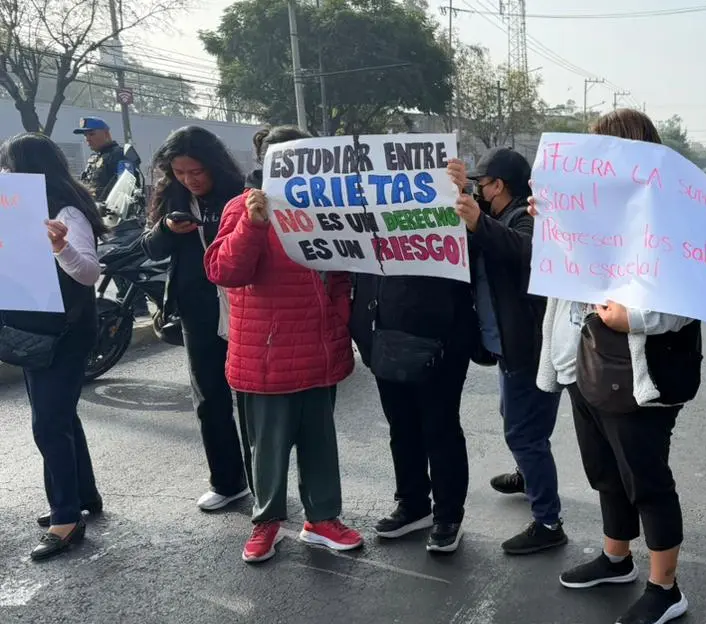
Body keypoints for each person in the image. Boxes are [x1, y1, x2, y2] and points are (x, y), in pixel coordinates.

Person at [539, 108, 702, 624]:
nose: (588, 163)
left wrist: (636, 318)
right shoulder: (591, 212)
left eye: (598, 150)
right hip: (592, 365)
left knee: (647, 481)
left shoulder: (673, 211)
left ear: (629, 152)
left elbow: (689, 297)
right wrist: (553, 225)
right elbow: (569, 285)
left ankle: (665, 588)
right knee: (605, 472)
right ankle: (616, 559)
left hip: (644, 373)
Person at [205, 125, 362, 563]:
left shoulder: (327, 207)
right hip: (267, 355)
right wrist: (252, 227)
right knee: (267, 448)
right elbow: (223, 271)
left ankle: (322, 518)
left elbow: (343, 273)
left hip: (318, 350)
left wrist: (338, 322)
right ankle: (266, 522)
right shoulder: (243, 207)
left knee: (319, 442)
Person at [445, 148, 566, 556]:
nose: (479, 190)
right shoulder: (497, 213)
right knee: (520, 421)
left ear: (501, 186)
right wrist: (458, 188)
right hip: (510, 346)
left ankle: (548, 520)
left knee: (524, 432)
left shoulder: (528, 217)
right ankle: (528, 476)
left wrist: (479, 221)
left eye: (482, 183)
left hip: (529, 347)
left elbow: (525, 252)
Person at [352, 189, 479, 554]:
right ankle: (412, 504)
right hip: (384, 337)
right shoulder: (368, 214)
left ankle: (448, 515)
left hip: (442, 340)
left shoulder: (451, 213)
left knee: (439, 428)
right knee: (402, 427)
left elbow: (476, 258)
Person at [0, 134, 105, 560]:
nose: (3, 175)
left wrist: (59, 246)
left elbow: (89, 272)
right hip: (33, 331)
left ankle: (66, 517)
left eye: (8, 167)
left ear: (28, 170)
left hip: (63, 331)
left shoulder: (64, 212)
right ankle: (85, 497)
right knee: (60, 416)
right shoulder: (17, 213)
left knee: (48, 424)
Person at [142, 126, 252, 512]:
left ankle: (263, 483)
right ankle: (227, 481)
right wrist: (167, 229)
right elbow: (150, 249)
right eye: (180, 172)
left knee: (252, 400)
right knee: (209, 398)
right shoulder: (172, 197)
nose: (189, 180)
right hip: (197, 310)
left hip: (245, 306)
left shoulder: (240, 194)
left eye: (196, 172)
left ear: (214, 165)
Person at [73, 117, 136, 203]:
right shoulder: (94, 158)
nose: (87, 139)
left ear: (106, 134)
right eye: (85, 135)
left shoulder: (120, 155)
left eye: (91, 134)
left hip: (112, 213)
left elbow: (127, 189)